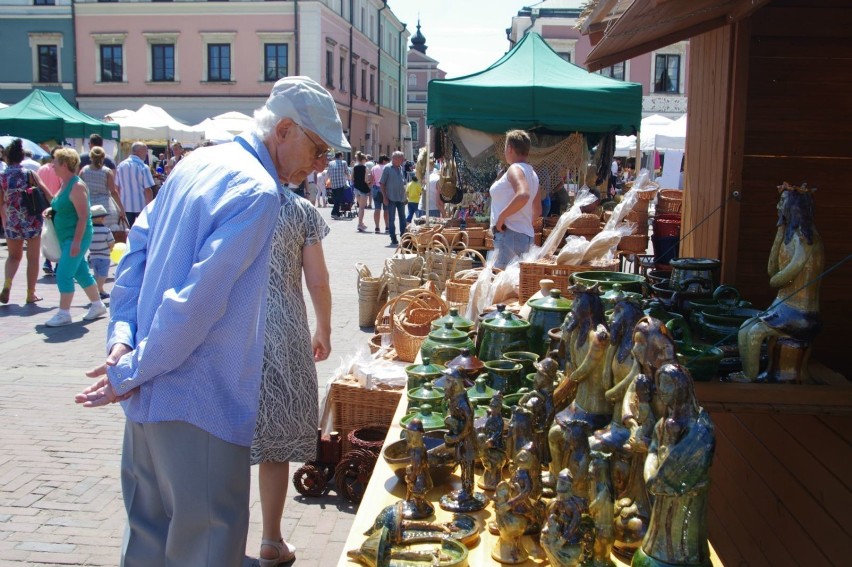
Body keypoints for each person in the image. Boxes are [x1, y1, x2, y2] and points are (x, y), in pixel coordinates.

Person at [74, 76, 348, 567]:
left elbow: (137, 250)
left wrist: (124, 343)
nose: (321, 165)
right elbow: (195, 303)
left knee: (147, 541)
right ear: (284, 130)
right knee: (204, 549)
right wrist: (129, 363)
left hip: (150, 399)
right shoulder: (259, 191)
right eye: (319, 149)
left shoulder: (197, 161)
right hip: (199, 403)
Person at [251, 162, 332, 567]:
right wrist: (325, 329)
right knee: (274, 443)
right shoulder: (298, 209)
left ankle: (218, 537)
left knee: (226, 436)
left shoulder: (231, 201)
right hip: (282, 328)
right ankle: (270, 540)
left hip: (230, 328)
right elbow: (318, 280)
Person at [44, 148, 108, 326]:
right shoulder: (65, 183)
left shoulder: (77, 185)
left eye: (55, 162)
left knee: (63, 274)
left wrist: (77, 242)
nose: (52, 165)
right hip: (67, 237)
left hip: (75, 237)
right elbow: (62, 205)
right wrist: (51, 210)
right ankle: (97, 305)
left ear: (64, 164)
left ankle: (64, 313)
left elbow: (83, 216)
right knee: (81, 272)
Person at [0, 138, 47, 304]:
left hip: (12, 221)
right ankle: (30, 293)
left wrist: (5, 220)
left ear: (6, 157)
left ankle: (7, 284)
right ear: (21, 157)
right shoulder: (29, 174)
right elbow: (46, 193)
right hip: (32, 219)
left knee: (13, 257)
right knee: (33, 258)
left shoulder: (2, 177)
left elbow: (1, 203)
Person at [489, 130, 541, 269]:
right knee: (518, 285)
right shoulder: (533, 174)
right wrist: (523, 222)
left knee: (503, 286)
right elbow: (537, 209)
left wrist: (501, 218)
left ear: (510, 148)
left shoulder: (515, 169)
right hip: (526, 236)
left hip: (509, 235)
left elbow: (523, 195)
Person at [81, 146, 126, 235]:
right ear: (103, 157)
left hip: (89, 207)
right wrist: (121, 209)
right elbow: (113, 192)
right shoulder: (107, 171)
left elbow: (80, 189)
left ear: (91, 157)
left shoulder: (84, 171)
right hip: (107, 208)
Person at [115, 142, 155, 227]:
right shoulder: (143, 167)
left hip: (124, 205)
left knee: (127, 231)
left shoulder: (120, 166)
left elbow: (117, 188)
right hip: (141, 206)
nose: (146, 153)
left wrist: (119, 207)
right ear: (139, 151)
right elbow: (147, 189)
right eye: (145, 151)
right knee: (142, 231)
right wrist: (150, 207)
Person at [37, 147, 63, 276]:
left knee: (47, 234)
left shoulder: (41, 169)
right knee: (58, 235)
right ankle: (58, 264)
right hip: (56, 205)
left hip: (42, 205)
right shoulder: (59, 170)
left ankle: (47, 261)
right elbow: (62, 187)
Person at [88, 204, 115, 299]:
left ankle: (101, 291)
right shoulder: (106, 230)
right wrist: (111, 249)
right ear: (101, 218)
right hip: (104, 256)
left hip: (93, 256)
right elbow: (111, 242)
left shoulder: (89, 230)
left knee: (97, 275)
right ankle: (96, 290)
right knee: (103, 276)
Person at [380, 151, 407, 246]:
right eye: (401, 159)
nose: (403, 160)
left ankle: (404, 237)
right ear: (395, 159)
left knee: (402, 218)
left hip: (400, 197)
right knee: (391, 219)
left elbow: (402, 182)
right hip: (390, 197)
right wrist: (384, 197)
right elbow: (382, 183)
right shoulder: (387, 168)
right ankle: (393, 237)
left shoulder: (400, 168)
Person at [327, 150, 350, 220]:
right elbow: (347, 172)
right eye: (342, 156)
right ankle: (334, 213)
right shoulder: (343, 162)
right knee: (338, 199)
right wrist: (349, 178)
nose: (342, 158)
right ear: (340, 156)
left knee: (335, 198)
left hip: (333, 183)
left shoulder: (330, 163)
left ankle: (337, 213)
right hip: (340, 183)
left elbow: (328, 173)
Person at [352, 152, 371, 232]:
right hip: (363, 189)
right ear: (363, 160)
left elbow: (351, 178)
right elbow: (366, 180)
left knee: (360, 206)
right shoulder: (365, 168)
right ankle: (360, 224)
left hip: (356, 188)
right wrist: (370, 182)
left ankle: (361, 223)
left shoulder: (354, 168)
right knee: (362, 208)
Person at [371, 155, 389, 232]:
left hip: (376, 188)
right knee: (386, 209)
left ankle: (377, 227)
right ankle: (387, 226)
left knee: (377, 208)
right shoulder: (387, 168)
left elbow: (372, 180)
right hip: (385, 189)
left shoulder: (374, 168)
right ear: (384, 161)